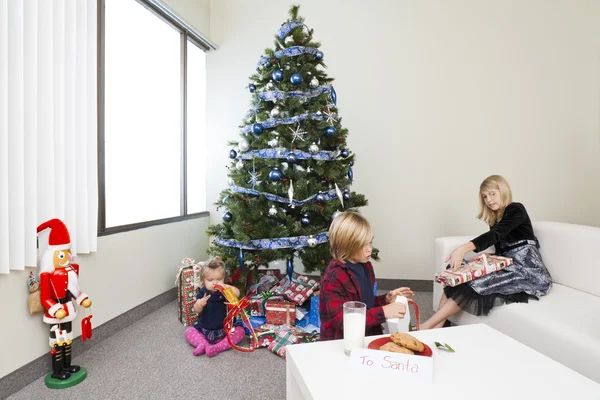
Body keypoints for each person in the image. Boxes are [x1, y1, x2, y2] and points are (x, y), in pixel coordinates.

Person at [421, 175, 553, 329]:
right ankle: (437, 328)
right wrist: (489, 256)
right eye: (485, 197)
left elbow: (495, 235)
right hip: (507, 264)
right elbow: (501, 246)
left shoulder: (516, 209)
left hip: (527, 269)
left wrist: (463, 248)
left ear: (503, 191)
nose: (489, 200)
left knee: (474, 283)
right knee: (457, 274)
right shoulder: (496, 219)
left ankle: (426, 326)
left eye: (492, 194)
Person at [319, 211, 414, 341]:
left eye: (370, 242)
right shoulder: (334, 277)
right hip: (342, 341)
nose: (369, 249)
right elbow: (342, 321)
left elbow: (364, 303)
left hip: (366, 334)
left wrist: (386, 299)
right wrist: (384, 312)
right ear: (347, 245)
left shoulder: (366, 266)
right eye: (363, 245)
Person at [38, 218, 92, 381]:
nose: (67, 258)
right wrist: (55, 309)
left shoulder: (70, 271)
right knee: (57, 342)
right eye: (62, 254)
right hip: (56, 313)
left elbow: (74, 290)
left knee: (67, 339)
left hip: (68, 309)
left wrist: (81, 298)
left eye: (67, 253)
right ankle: (57, 369)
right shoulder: (47, 275)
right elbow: (45, 298)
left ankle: (67, 365)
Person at [184, 256, 245, 356]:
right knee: (189, 331)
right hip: (204, 329)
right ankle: (202, 344)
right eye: (210, 280)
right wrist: (200, 304)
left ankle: (217, 347)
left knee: (240, 331)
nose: (215, 282)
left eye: (219, 279)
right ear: (203, 281)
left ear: (224, 279)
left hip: (225, 330)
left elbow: (237, 293)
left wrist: (225, 287)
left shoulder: (225, 291)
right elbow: (196, 310)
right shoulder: (202, 292)